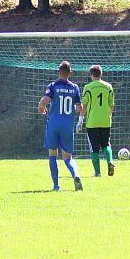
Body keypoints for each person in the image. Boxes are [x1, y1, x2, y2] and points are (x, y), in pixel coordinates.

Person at [38, 61, 84, 191]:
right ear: (70, 73)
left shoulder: (53, 86)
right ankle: (76, 175)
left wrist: (41, 107)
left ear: (58, 72)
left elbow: (44, 100)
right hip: (67, 126)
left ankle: (56, 186)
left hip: (53, 125)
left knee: (52, 154)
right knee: (68, 157)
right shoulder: (74, 88)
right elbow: (79, 107)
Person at [81, 65, 116, 177]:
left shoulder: (88, 87)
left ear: (91, 75)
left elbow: (84, 105)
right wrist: (107, 115)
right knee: (106, 144)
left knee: (94, 147)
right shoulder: (108, 86)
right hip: (105, 121)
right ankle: (110, 162)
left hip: (92, 122)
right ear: (101, 74)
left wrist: (80, 120)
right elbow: (111, 105)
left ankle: (97, 172)